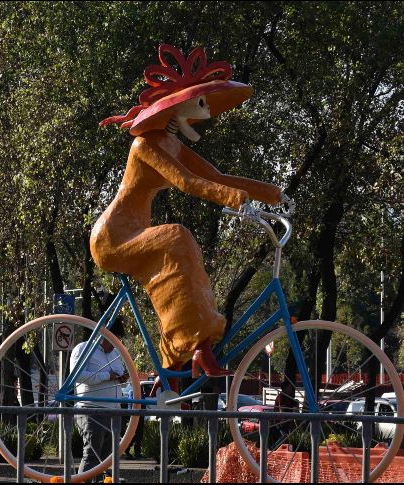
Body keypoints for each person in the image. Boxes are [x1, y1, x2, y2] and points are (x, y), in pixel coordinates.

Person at [94, 44, 289, 394]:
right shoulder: (145, 146)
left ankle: (173, 367)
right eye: (199, 104)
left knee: (183, 264)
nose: (205, 112)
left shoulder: (172, 143)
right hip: (113, 238)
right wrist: (235, 199)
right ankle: (197, 345)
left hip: (136, 232)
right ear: (175, 106)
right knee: (177, 237)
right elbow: (186, 182)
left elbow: (217, 177)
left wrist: (272, 193)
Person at [71, 318, 129, 476]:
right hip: (91, 410)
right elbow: (77, 376)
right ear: (104, 335)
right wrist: (107, 376)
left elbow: (118, 377)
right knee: (91, 455)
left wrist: (122, 378)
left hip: (114, 411)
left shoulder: (116, 353)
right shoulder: (83, 348)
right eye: (114, 340)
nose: (116, 344)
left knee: (106, 459)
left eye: (119, 340)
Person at [122, 381, 144, 460]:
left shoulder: (137, 392)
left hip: (139, 414)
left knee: (138, 435)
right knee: (134, 434)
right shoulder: (132, 392)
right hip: (135, 415)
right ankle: (128, 450)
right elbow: (133, 403)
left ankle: (134, 451)